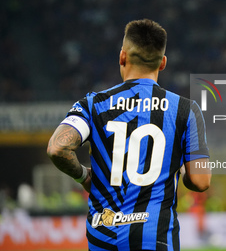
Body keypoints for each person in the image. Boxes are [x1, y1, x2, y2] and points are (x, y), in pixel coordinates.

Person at [47, 19, 211, 251]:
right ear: (162, 63)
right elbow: (200, 181)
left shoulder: (93, 105)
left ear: (122, 57)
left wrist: (84, 177)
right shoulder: (186, 110)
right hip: (155, 237)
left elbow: (57, 147)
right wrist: (182, 169)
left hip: (103, 235)